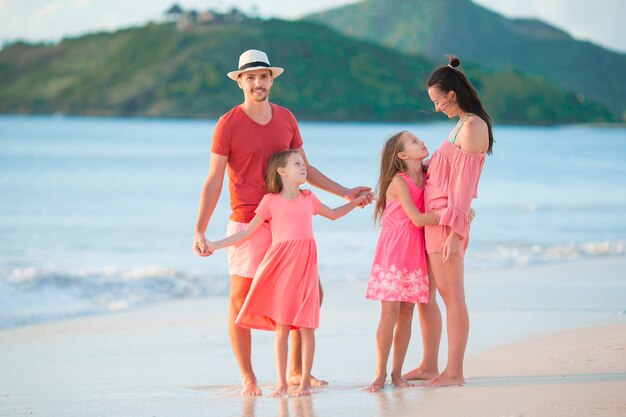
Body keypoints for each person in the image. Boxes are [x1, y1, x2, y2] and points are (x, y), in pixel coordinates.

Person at [192, 49, 373, 396]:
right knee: (240, 300)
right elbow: (214, 180)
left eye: (264, 76)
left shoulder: (286, 118)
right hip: (249, 220)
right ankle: (248, 376)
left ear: (271, 79)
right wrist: (200, 229)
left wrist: (346, 192)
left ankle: (294, 371)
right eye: (251, 78)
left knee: (310, 295)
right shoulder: (227, 124)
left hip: (289, 222)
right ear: (240, 82)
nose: (258, 83)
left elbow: (306, 169)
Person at [206, 149, 368, 397]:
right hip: (281, 268)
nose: (304, 167)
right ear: (282, 172)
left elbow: (334, 215)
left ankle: (303, 383)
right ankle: (281, 383)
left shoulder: (308, 198)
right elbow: (247, 233)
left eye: (303, 163)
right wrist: (216, 244)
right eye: (297, 164)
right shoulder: (270, 201)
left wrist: (356, 202)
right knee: (282, 326)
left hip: (306, 267)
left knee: (307, 325)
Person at [403, 56, 494, 387]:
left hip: (446, 224)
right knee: (429, 295)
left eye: (438, 101)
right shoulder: (461, 125)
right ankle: (429, 364)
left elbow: (464, 189)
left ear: (452, 94)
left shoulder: (473, 127)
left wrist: (457, 231)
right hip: (434, 222)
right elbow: (445, 176)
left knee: (452, 296)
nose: (438, 108)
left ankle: (453, 372)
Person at [364, 131, 439, 392]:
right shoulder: (399, 181)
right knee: (389, 315)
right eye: (415, 142)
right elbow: (417, 219)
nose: (423, 142)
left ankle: (396, 374)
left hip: (415, 250)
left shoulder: (427, 174)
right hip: (394, 251)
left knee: (407, 315)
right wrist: (451, 216)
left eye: (420, 139)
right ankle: (379, 375)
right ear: (403, 155)